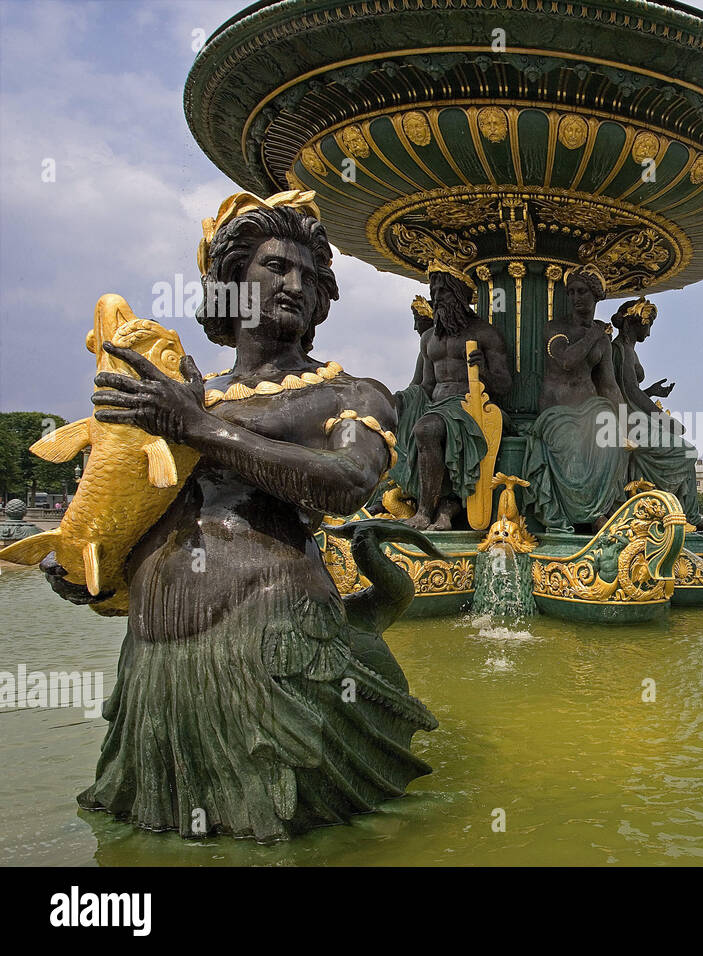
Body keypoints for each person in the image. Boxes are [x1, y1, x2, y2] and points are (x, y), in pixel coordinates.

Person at [41, 190, 437, 841]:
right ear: (229, 283)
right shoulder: (180, 392)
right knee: (153, 840)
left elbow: (347, 483)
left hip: (270, 642)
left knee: (279, 837)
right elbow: (139, 506)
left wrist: (199, 428)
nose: (295, 283)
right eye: (275, 267)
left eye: (310, 276)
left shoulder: (349, 393)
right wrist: (89, 568)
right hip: (155, 658)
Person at [389, 262, 510, 530]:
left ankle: (424, 511)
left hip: (470, 405)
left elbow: (504, 385)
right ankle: (442, 504)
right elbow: (426, 384)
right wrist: (400, 402)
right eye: (433, 290)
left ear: (461, 295)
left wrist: (484, 371)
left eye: (443, 291)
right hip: (437, 405)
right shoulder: (430, 338)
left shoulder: (483, 333)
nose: (435, 297)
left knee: (426, 429)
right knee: (390, 418)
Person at [520, 264, 627, 533]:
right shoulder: (555, 329)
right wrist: (593, 333)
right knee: (571, 448)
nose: (576, 298)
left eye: (582, 292)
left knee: (610, 442)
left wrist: (626, 424)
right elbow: (568, 360)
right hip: (558, 412)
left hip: (591, 409)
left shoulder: (603, 343)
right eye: (571, 293)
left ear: (595, 296)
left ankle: (600, 512)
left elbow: (610, 386)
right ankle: (580, 515)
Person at [610, 297, 703, 530]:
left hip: (630, 415)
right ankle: (686, 515)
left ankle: (675, 510)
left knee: (684, 447)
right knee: (687, 451)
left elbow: (630, 390)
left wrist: (650, 392)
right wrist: (664, 418)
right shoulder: (622, 350)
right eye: (647, 326)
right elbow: (629, 392)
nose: (648, 334)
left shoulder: (626, 350)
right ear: (633, 323)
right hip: (625, 421)